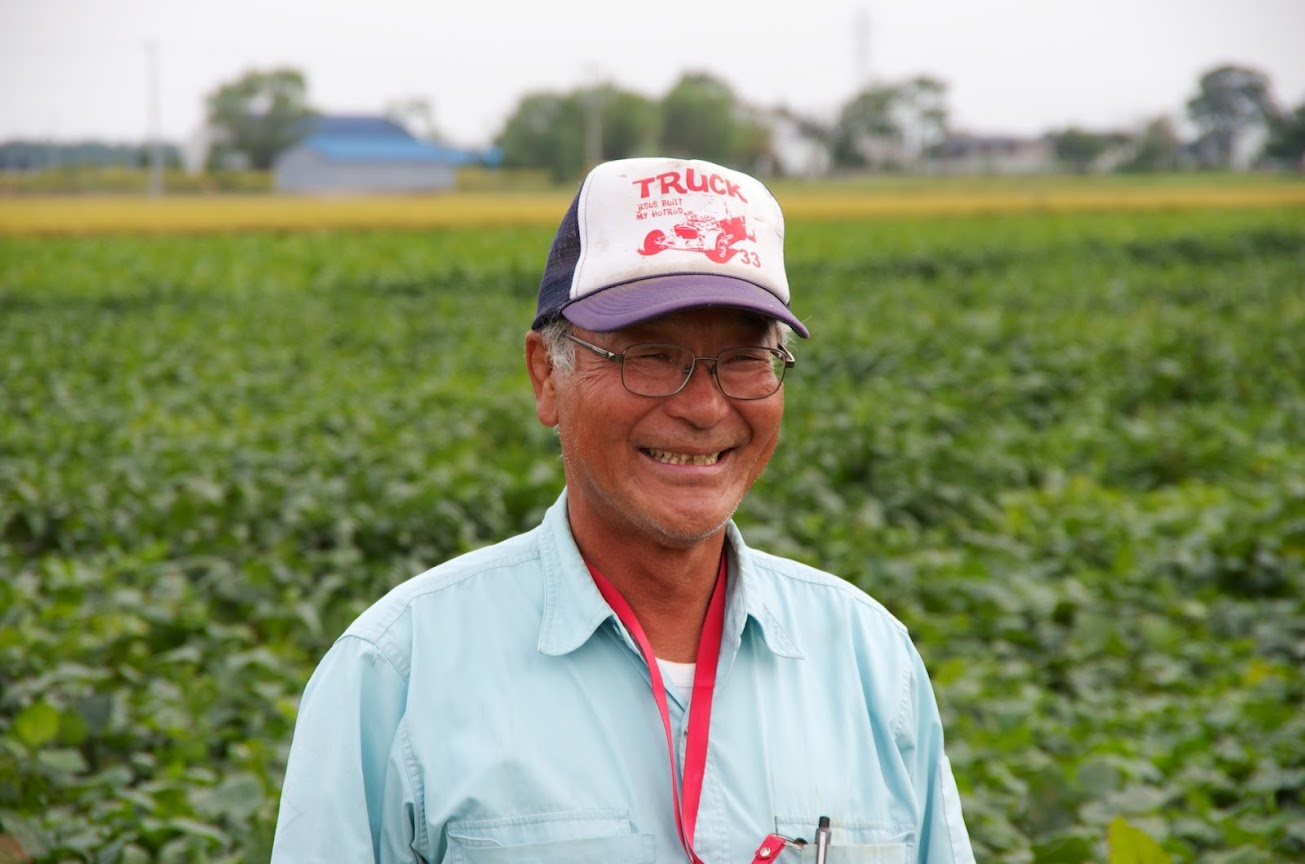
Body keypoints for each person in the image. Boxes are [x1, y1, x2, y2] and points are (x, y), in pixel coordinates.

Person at [271, 156, 975, 863]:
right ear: (546, 375)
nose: (703, 407)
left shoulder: (868, 660)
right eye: (650, 355)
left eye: (744, 358)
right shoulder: (397, 672)